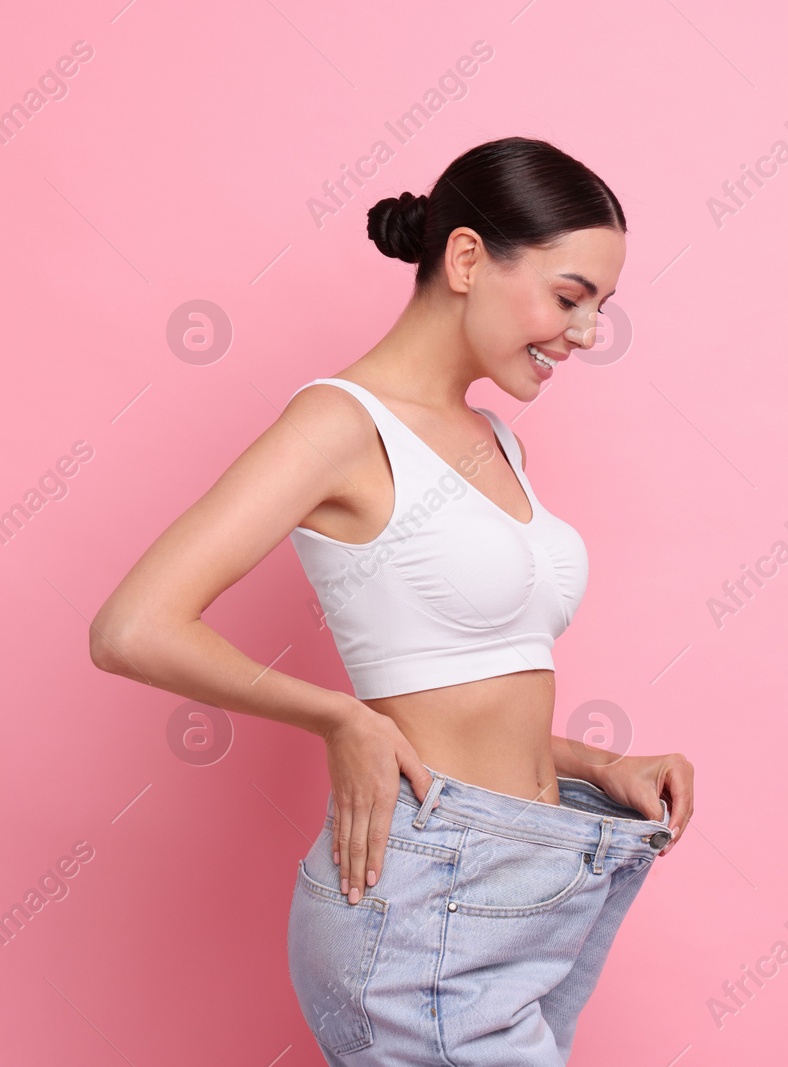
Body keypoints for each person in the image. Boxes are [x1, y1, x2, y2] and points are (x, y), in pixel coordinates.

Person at [88, 136, 693, 1065]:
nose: (586, 333)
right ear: (463, 259)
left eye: (600, 309)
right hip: (428, 896)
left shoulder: (495, 438)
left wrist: (594, 764)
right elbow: (132, 627)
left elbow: (459, 692)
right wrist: (338, 717)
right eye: (571, 297)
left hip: (529, 879)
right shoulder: (340, 422)